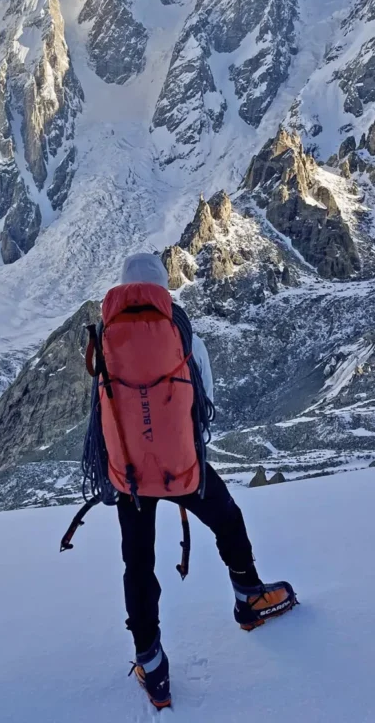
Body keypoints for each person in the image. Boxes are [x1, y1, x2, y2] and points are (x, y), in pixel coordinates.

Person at [111, 254, 296, 711]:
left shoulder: (104, 337)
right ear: (162, 288)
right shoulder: (182, 330)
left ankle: (150, 662)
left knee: (138, 561)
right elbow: (205, 403)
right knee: (227, 520)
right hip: (183, 467)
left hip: (129, 476)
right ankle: (249, 596)